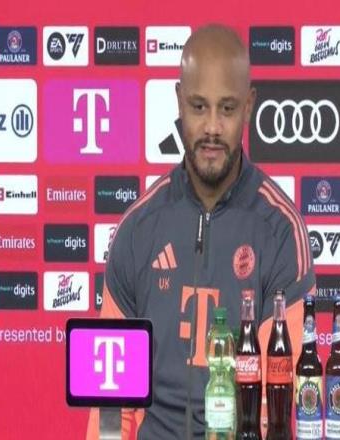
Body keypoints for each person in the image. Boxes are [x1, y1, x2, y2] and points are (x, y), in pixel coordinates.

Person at [86, 24, 315, 440]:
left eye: (226, 109)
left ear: (249, 106)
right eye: (198, 106)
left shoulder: (281, 233)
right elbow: (110, 407)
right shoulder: (137, 230)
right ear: (178, 102)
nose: (212, 127)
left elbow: (276, 413)